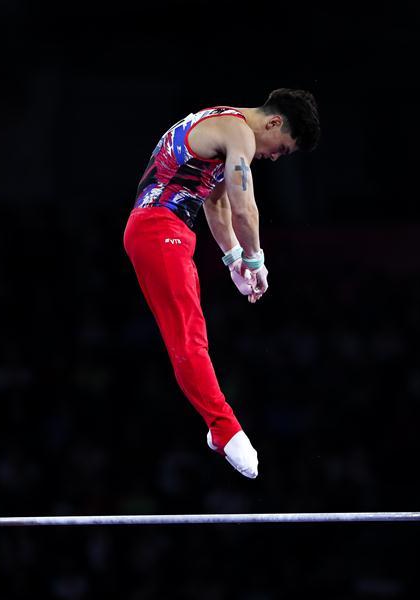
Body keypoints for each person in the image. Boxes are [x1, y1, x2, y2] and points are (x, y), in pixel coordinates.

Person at [123, 89, 320, 478]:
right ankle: (224, 427)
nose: (275, 157)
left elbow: (216, 203)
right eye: (282, 148)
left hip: (162, 229)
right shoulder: (241, 133)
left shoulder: (220, 125)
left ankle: (219, 427)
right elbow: (244, 205)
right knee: (188, 339)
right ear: (274, 122)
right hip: (157, 229)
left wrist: (233, 260)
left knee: (193, 337)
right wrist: (256, 259)